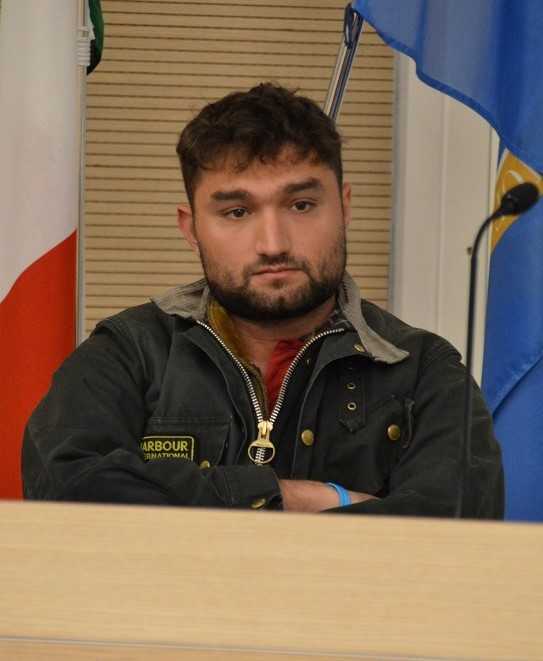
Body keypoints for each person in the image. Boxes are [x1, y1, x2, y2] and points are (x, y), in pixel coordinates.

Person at [22, 83, 503, 516]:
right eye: (236, 211)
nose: (273, 243)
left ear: (344, 207)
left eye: (301, 205)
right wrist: (295, 497)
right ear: (191, 228)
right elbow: (63, 491)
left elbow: (456, 534)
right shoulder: (129, 351)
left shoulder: (424, 370)